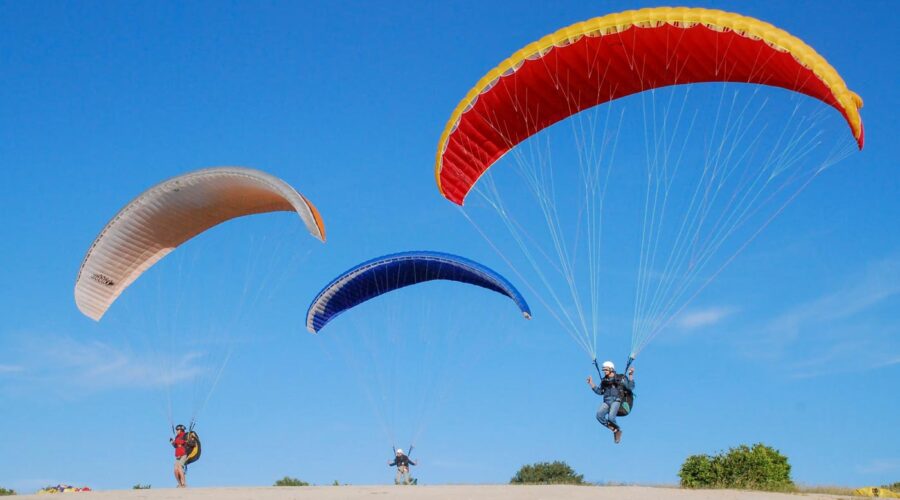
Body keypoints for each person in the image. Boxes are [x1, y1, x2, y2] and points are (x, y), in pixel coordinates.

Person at [587, 361, 635, 444]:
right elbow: (600, 392)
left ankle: (617, 430)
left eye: (606, 369)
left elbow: (630, 387)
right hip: (606, 401)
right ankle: (615, 430)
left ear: (611, 369)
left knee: (611, 418)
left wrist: (630, 375)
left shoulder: (620, 378)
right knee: (599, 416)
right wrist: (591, 384)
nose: (604, 371)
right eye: (603, 369)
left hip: (616, 400)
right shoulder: (604, 381)